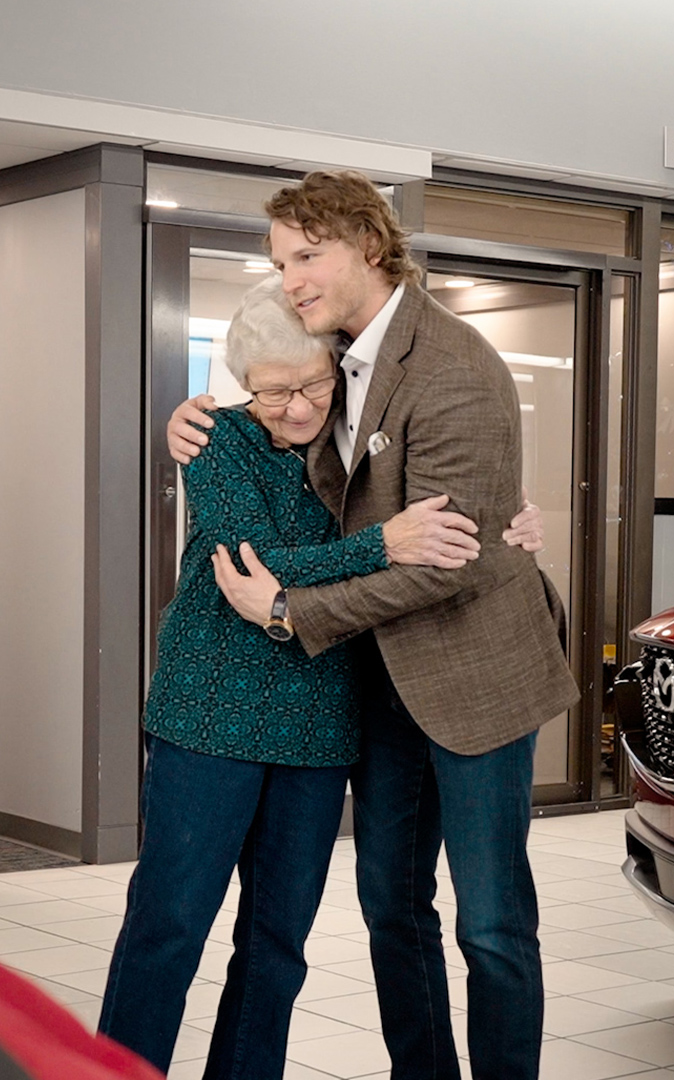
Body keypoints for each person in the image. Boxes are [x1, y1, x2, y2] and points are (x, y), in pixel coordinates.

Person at [167, 171, 579, 1080]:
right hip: (380, 685)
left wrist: (289, 607)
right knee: (391, 904)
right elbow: (286, 432)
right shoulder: (333, 360)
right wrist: (196, 417)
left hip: (476, 678)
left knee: (492, 922)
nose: (292, 279)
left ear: (368, 246)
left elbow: (452, 559)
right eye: (281, 262)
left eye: (308, 256)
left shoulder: (455, 366)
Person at [99, 276, 482, 1078]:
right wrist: (385, 546)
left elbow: (452, 509)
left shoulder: (364, 444)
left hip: (319, 721)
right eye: (275, 393)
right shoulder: (216, 439)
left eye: (311, 384)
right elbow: (253, 564)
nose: (298, 408)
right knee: (169, 922)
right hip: (210, 717)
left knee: (277, 940)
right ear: (246, 385)